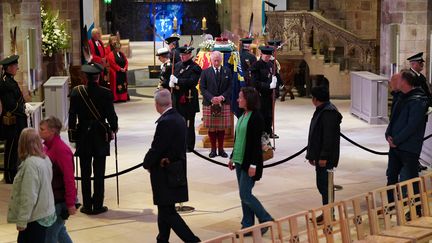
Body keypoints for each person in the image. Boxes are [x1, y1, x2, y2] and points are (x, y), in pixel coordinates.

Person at [143, 89, 200, 243]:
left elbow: (157, 148)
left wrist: (147, 162)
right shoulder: (178, 117)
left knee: (168, 211)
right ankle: (162, 239)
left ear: (156, 105)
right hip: (174, 169)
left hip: (166, 173)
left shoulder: (165, 122)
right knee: (164, 207)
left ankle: (192, 240)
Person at [68, 63, 118, 215]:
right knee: (99, 171)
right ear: (99, 76)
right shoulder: (106, 93)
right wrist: (113, 129)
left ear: (85, 76)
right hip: (99, 134)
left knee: (84, 171)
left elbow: (72, 116)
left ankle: (87, 205)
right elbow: (112, 116)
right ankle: (98, 204)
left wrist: (73, 134)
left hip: (83, 133)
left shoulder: (77, 92)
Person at [228, 87, 274, 234]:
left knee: (245, 194)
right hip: (240, 160)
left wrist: (254, 165)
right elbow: (239, 139)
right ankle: (247, 224)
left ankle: (266, 218)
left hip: (250, 162)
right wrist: (232, 157)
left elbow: (255, 144)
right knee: (243, 194)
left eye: (240, 97)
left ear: (248, 100)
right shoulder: (242, 115)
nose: (237, 99)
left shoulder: (256, 118)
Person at [385, 70, 429, 210]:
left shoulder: (418, 100)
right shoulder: (401, 97)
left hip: (409, 147)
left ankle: (416, 209)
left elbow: (412, 126)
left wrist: (396, 140)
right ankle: (391, 205)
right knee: (391, 176)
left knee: (410, 179)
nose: (396, 83)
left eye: (398, 80)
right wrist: (388, 134)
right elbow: (394, 119)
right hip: (395, 146)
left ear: (404, 82)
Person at [7, 128, 56, 243]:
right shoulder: (45, 159)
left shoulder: (30, 164)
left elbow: (28, 196)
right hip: (45, 212)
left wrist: (22, 221)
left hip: (35, 217)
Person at [305, 86, 342, 224]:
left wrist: (323, 157)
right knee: (322, 185)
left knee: (325, 186)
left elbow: (328, 137)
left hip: (325, 158)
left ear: (315, 99)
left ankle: (329, 214)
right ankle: (327, 212)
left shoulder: (328, 113)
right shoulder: (323, 110)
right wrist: (312, 155)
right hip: (320, 155)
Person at [39, 116, 76, 243]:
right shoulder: (47, 146)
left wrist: (70, 203)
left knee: (50, 236)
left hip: (59, 201)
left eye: (42, 129)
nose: (39, 131)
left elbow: (69, 178)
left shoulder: (61, 149)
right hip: (52, 198)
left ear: (52, 131)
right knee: (59, 232)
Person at [0, 55, 28, 184]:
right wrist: (22, 109)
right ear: (9, 67)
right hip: (12, 121)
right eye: (15, 66)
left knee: (16, 147)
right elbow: (10, 104)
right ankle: (9, 175)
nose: (17, 68)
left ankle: (14, 172)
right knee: (11, 149)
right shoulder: (5, 82)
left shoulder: (10, 80)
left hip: (18, 120)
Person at [200, 51, 232, 158]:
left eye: (218, 60)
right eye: (215, 60)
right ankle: (213, 150)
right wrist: (212, 98)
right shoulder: (205, 72)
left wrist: (222, 97)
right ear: (211, 60)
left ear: (221, 60)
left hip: (223, 102)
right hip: (209, 103)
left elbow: (230, 87)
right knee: (212, 128)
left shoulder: (227, 71)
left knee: (221, 128)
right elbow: (202, 88)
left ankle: (221, 149)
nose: (217, 62)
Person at [170, 45, 202, 151]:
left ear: (189, 55)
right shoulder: (178, 65)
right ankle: (179, 144)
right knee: (178, 123)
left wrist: (178, 81)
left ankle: (189, 145)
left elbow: (191, 82)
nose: (182, 57)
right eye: (181, 55)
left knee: (189, 124)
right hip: (177, 99)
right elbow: (174, 77)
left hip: (189, 99)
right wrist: (171, 83)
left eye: (184, 55)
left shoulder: (195, 68)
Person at [407, 52, 431, 172]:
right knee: (413, 139)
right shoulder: (409, 76)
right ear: (413, 63)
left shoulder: (420, 77)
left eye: (422, 63)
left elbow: (427, 93)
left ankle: (415, 161)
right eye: (420, 63)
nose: (422, 65)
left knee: (418, 139)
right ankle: (412, 162)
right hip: (415, 114)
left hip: (422, 114)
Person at [250, 46, 278, 139]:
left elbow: (274, 78)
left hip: (269, 95)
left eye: (269, 55)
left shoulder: (271, 65)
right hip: (260, 95)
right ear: (261, 54)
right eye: (266, 55)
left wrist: (275, 86)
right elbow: (254, 82)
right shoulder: (256, 65)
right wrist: (268, 86)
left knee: (269, 115)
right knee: (261, 115)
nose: (267, 57)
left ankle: (268, 131)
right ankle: (261, 134)